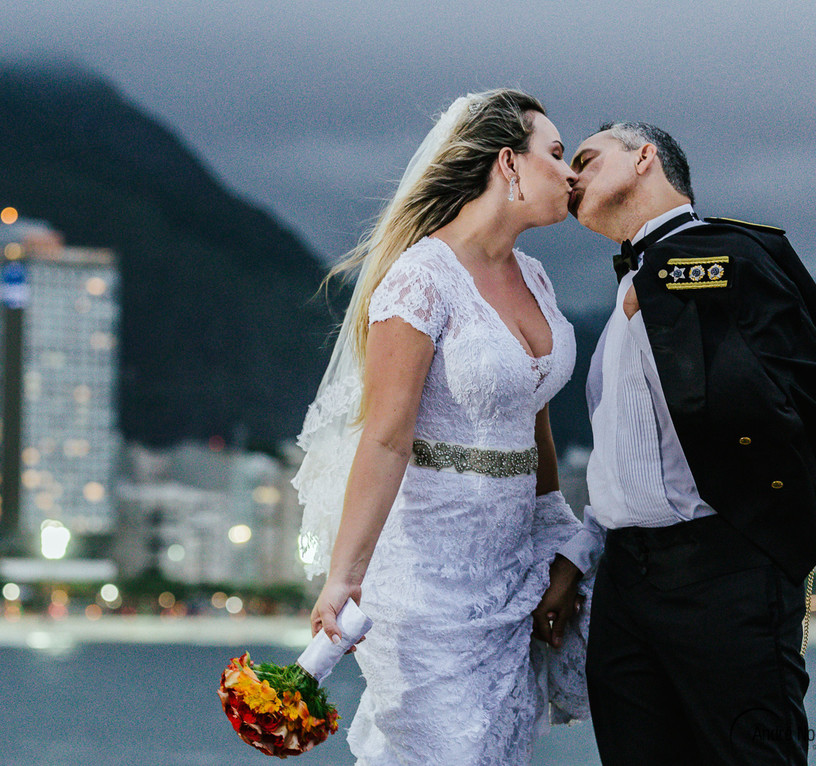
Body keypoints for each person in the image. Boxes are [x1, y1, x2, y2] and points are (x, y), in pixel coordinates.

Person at [546, 121, 816, 765]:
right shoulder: (632, 284)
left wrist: (779, 547)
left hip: (727, 571)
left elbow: (808, 394)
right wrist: (579, 555)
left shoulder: (730, 255)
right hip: (623, 580)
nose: (572, 176)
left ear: (646, 158)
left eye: (589, 159)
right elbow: (623, 457)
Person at [293, 89, 590, 765]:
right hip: (427, 588)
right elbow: (387, 436)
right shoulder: (421, 280)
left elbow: (533, 411)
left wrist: (557, 530)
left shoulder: (538, 278)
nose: (570, 172)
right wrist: (344, 578)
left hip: (514, 574)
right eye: (555, 153)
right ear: (508, 165)